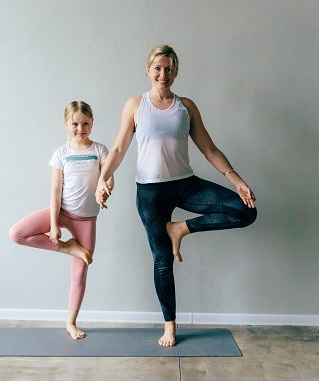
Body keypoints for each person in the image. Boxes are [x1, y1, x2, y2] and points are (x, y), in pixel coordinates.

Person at [95, 45, 257, 347]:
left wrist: (236, 180)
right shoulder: (135, 105)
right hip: (150, 193)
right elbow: (117, 149)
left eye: (169, 68)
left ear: (176, 72)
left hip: (185, 185)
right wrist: (101, 180)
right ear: (148, 70)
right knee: (162, 261)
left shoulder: (186, 107)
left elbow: (209, 149)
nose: (163, 74)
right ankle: (169, 326)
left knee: (245, 211)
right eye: (157, 68)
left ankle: (180, 228)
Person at [10, 101, 113, 340]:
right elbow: (56, 191)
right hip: (63, 212)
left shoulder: (100, 150)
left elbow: (107, 178)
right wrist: (55, 224)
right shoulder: (61, 154)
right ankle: (68, 248)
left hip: (86, 219)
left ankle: (71, 323)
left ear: (92, 122)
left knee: (79, 273)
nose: (80, 128)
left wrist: (104, 188)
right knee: (17, 233)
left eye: (85, 123)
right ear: (66, 124)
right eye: (75, 124)